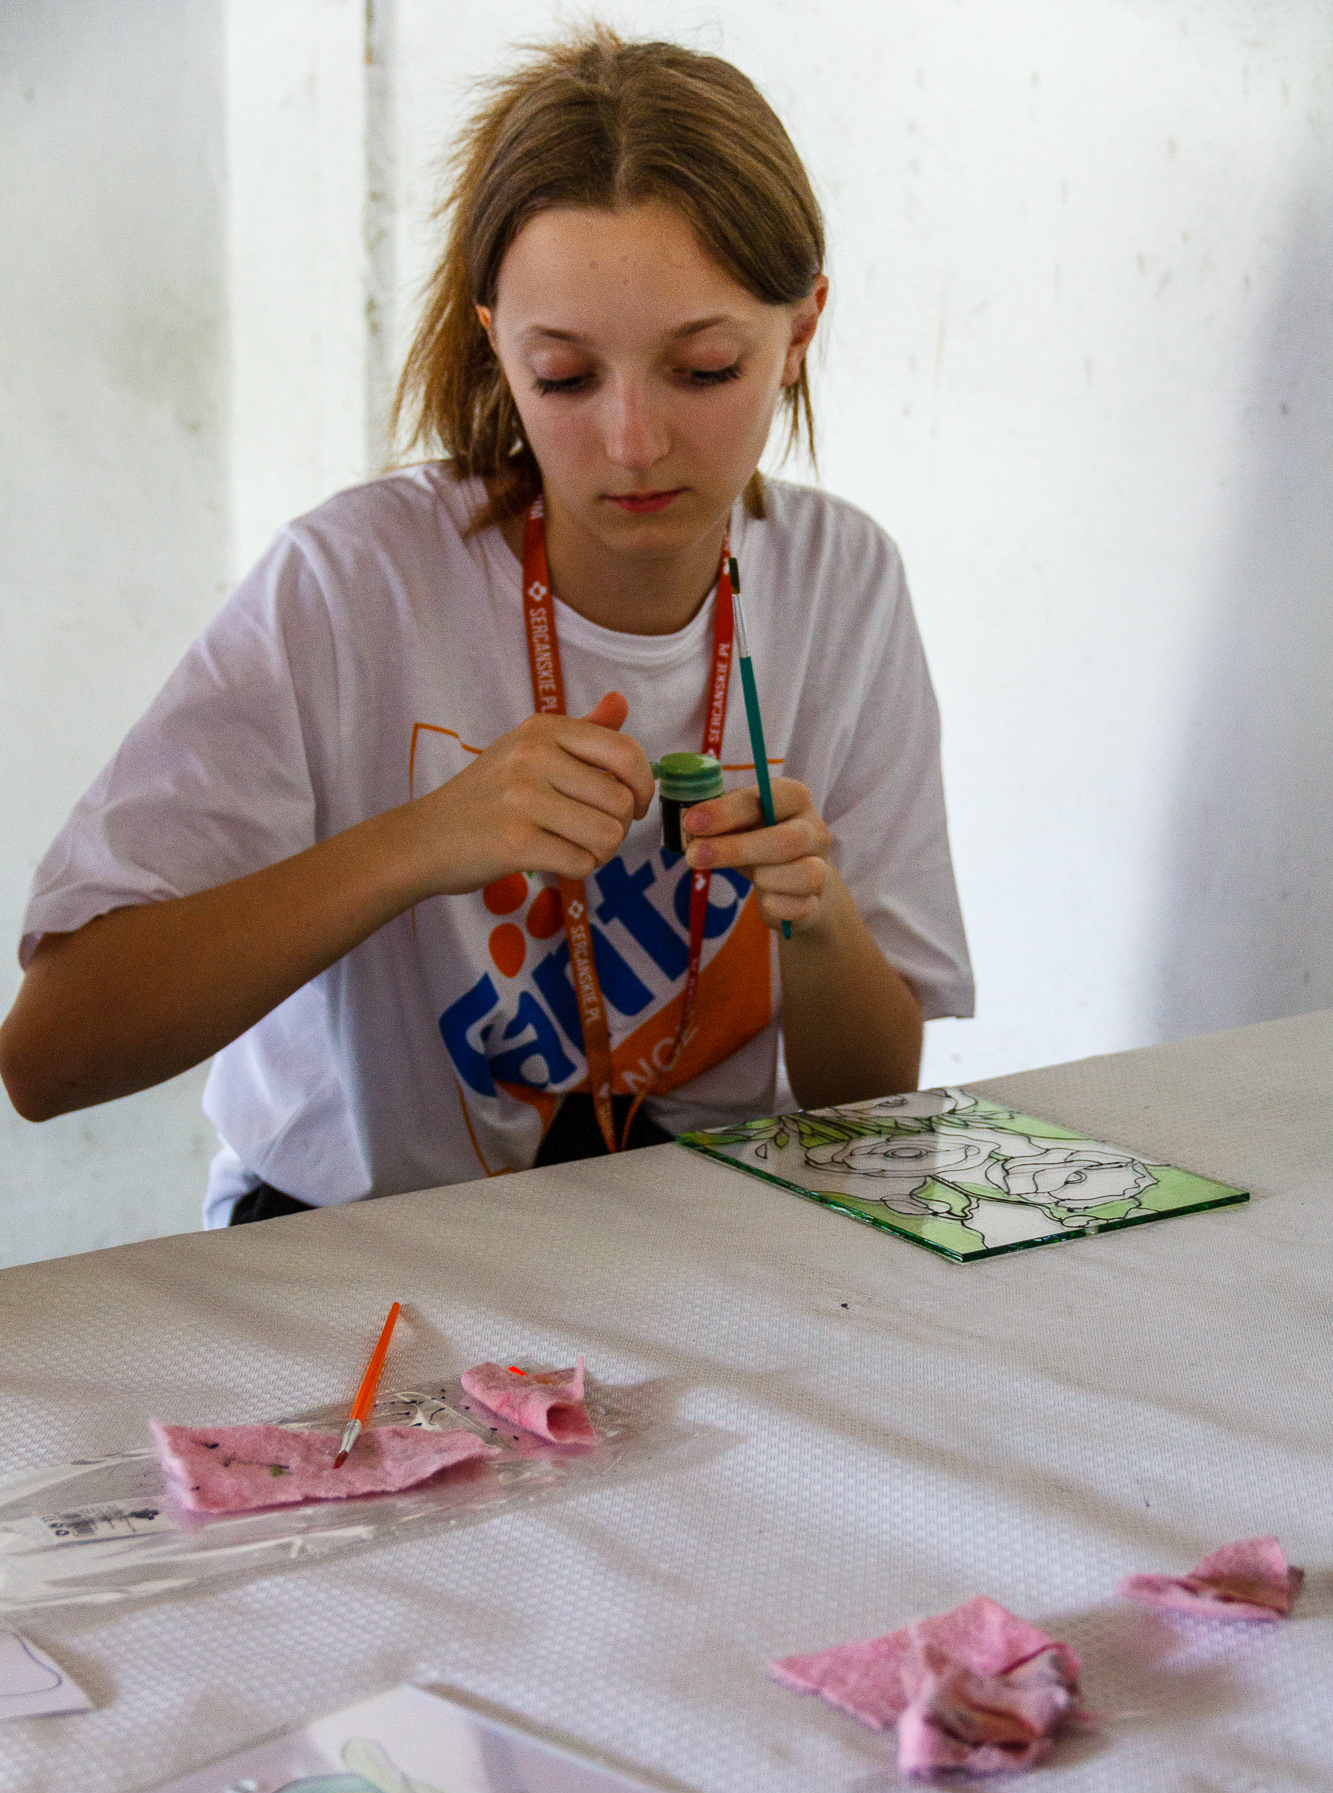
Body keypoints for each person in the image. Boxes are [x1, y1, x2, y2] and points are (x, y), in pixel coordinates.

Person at [0, 29, 972, 1226]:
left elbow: (868, 1103)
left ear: (801, 331)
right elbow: (47, 1057)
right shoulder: (351, 583)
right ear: (494, 343)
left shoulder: (843, 579)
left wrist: (815, 913)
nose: (632, 442)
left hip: (685, 1233)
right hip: (349, 1237)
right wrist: (418, 842)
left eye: (704, 368)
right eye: (565, 376)